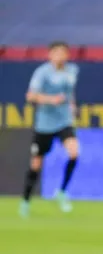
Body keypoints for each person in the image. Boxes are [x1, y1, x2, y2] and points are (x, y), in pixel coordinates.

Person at [20, 41, 80, 217]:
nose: (61, 56)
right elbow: (31, 95)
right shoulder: (42, 73)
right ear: (50, 55)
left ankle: (61, 192)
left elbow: (70, 93)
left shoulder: (72, 71)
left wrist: (72, 106)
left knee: (74, 153)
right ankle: (25, 200)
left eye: (64, 53)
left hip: (64, 121)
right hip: (44, 124)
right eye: (57, 53)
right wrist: (51, 99)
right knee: (36, 164)